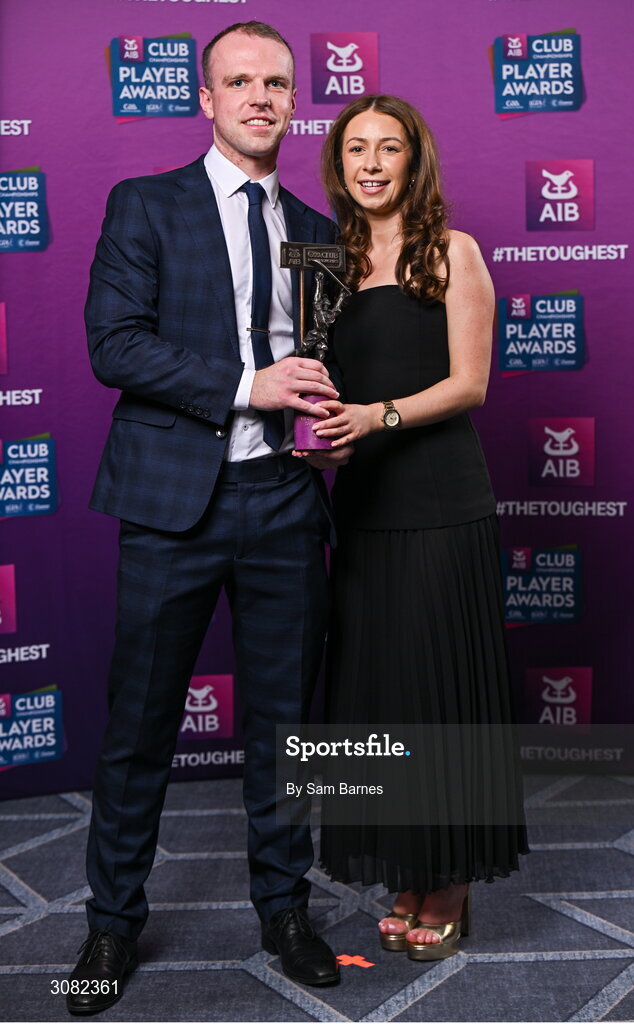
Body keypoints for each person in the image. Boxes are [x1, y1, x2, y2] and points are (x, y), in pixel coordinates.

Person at [67, 21, 350, 1015]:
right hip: (170, 505)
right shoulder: (146, 204)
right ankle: (111, 922)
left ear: (294, 101)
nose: (260, 97)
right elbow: (113, 344)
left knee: (285, 727)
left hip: (284, 501)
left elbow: (323, 364)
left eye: (276, 83)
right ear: (207, 99)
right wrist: (247, 385)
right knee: (140, 726)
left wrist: (335, 426)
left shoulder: (318, 229)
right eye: (240, 82)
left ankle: (284, 909)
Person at [312, 95, 529, 961]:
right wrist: (326, 435)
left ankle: (451, 882)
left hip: (442, 503)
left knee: (441, 696)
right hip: (364, 507)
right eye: (355, 148)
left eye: (388, 148)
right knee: (386, 694)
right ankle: (410, 866)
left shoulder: (452, 251)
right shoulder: (324, 262)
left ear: (414, 161)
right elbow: (317, 379)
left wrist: (376, 419)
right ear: (338, 164)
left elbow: (470, 383)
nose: (371, 163)